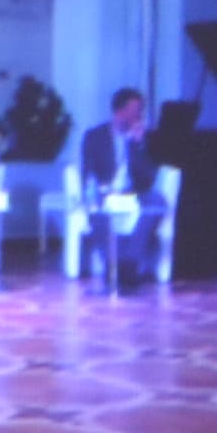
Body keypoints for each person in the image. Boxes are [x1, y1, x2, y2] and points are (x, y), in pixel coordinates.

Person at [73, 87, 164, 294]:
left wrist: (138, 145)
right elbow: (88, 171)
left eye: (140, 111)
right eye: (135, 111)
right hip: (106, 192)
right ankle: (111, 263)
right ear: (119, 111)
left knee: (157, 201)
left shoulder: (143, 138)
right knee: (94, 204)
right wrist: (98, 190)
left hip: (134, 192)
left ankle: (130, 262)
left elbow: (148, 177)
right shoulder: (95, 136)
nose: (139, 116)